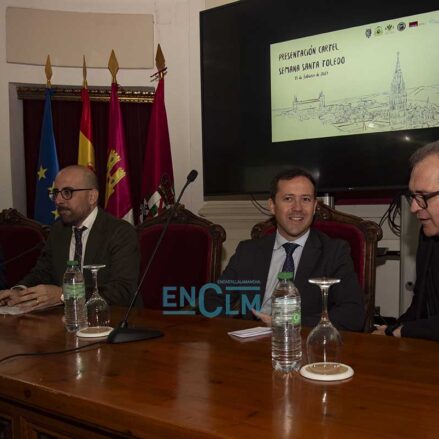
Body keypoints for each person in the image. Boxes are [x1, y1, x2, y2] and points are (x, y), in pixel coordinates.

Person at [205, 168, 365, 331]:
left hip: (303, 342)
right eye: (288, 198)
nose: (298, 208)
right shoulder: (249, 251)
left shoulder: (334, 252)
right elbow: (213, 299)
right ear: (272, 206)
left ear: (315, 206)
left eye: (306, 199)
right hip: (251, 344)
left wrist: (290, 323)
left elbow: (352, 315)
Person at [0, 165, 140, 312]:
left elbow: (122, 291)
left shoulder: (120, 232)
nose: (58, 200)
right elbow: (42, 272)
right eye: (56, 193)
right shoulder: (58, 230)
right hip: (64, 320)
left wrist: (65, 294)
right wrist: (20, 291)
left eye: (67, 192)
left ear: (92, 196)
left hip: (111, 319)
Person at [375, 141, 439, 340]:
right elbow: (421, 308)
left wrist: (402, 331)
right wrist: (390, 330)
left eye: (423, 196)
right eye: (413, 196)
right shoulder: (429, 238)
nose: (413, 208)